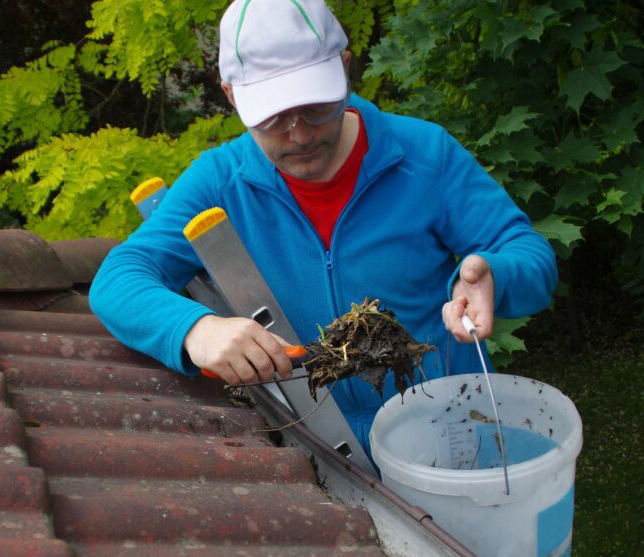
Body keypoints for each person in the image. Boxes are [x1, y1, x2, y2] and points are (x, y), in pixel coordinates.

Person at [89, 0, 557, 449]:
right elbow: (119, 278)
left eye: (316, 107)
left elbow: (528, 253)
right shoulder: (219, 183)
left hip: (450, 429)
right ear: (231, 96)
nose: (300, 134)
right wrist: (196, 329)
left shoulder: (424, 155)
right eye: (273, 118)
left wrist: (496, 274)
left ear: (345, 69)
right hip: (320, 449)